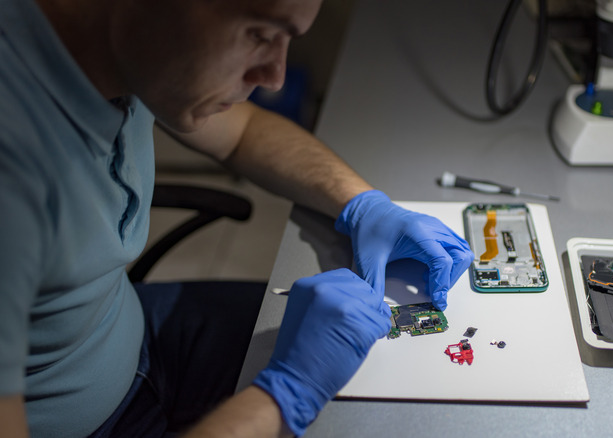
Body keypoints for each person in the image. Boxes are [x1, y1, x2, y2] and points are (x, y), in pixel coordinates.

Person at [0, 0, 473, 436]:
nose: (275, 77)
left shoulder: (123, 52)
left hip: (125, 328)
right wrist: (287, 394)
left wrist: (364, 204)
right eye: (259, 33)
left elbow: (240, 131)